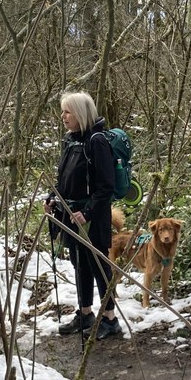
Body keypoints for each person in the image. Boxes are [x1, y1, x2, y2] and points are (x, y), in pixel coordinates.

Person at [45, 90, 123, 339]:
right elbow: (64, 178)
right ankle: (86, 313)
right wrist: (53, 198)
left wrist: (87, 213)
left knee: (98, 265)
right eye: (63, 111)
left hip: (92, 217)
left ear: (80, 113)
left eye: (67, 112)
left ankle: (110, 319)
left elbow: (106, 187)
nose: (63, 116)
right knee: (80, 264)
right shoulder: (71, 140)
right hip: (71, 215)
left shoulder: (96, 142)